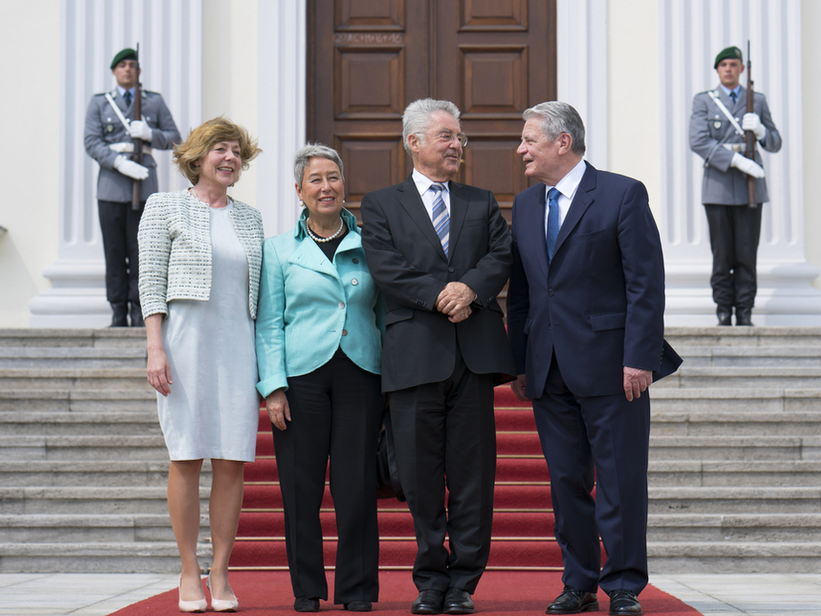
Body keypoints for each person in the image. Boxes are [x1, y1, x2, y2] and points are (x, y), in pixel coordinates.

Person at [507, 101, 682, 616]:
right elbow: (522, 293)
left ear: (563, 142)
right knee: (566, 482)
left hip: (613, 367)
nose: (520, 149)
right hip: (548, 368)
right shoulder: (524, 205)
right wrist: (520, 361)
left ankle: (623, 584)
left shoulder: (621, 194)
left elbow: (645, 284)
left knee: (620, 480)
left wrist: (640, 357)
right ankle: (578, 582)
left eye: (528, 140)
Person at [361, 98, 515, 616]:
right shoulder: (382, 204)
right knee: (421, 477)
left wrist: (468, 289)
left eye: (460, 138)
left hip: (472, 357)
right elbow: (386, 267)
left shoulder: (481, 200)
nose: (457, 146)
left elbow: (501, 255)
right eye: (447, 136)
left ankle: (464, 582)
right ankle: (430, 579)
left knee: (474, 476)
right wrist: (440, 295)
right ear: (414, 142)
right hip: (414, 357)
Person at [138, 117, 263, 613]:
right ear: (197, 157)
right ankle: (189, 569)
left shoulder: (251, 217)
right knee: (186, 456)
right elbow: (150, 281)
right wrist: (155, 347)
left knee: (232, 460)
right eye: (221, 150)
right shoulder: (163, 206)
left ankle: (221, 571)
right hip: (184, 345)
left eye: (237, 152)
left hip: (239, 346)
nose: (230, 158)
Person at [255, 144, 385, 613]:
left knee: (356, 489)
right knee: (300, 489)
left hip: (360, 372)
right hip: (301, 378)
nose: (326, 187)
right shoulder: (278, 250)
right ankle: (306, 589)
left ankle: (358, 590)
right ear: (299, 190)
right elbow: (269, 323)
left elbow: (385, 312)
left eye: (333, 178)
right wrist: (272, 386)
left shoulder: (372, 243)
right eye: (316, 180)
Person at [86, 47, 180, 328]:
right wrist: (119, 163)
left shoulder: (154, 102)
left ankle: (140, 312)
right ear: (114, 72)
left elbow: (175, 138)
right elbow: (91, 141)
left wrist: (151, 134)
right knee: (114, 251)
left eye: (132, 65)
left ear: (139, 72)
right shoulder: (100, 103)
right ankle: (117, 312)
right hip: (112, 186)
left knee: (143, 252)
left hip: (145, 185)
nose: (127, 69)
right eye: (122, 65)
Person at [689, 45, 782, 326]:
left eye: (733, 64)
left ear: (742, 69)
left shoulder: (758, 100)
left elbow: (775, 143)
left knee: (746, 252)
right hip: (718, 186)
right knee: (722, 254)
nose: (728, 69)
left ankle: (744, 311)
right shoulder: (705, 101)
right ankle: (722, 311)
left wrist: (763, 131)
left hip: (750, 188)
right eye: (723, 65)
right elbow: (698, 140)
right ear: (717, 70)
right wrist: (735, 161)